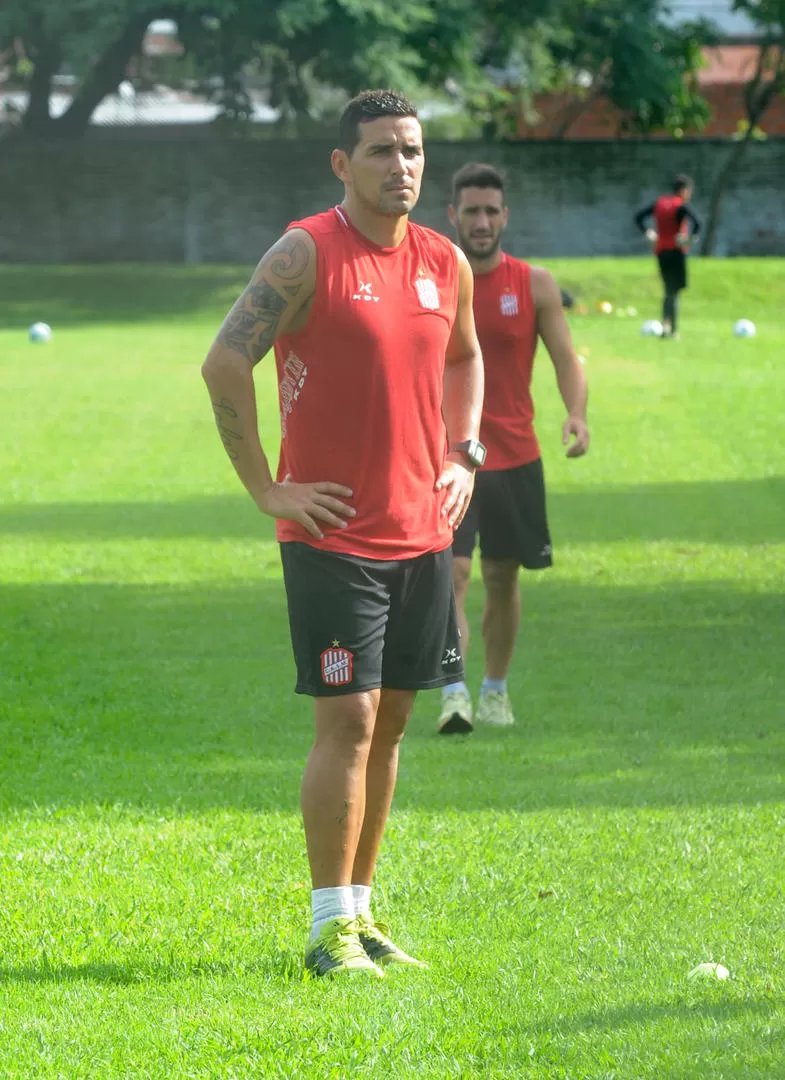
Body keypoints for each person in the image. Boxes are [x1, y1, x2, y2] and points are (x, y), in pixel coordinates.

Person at [201, 90, 484, 977]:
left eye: (411, 151)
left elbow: (466, 356)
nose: (400, 167)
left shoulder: (445, 261)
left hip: (422, 535)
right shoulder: (305, 253)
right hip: (332, 537)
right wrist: (266, 489)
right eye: (379, 152)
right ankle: (326, 930)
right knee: (350, 723)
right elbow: (223, 360)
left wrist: (464, 454)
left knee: (394, 724)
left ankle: (362, 919)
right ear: (341, 163)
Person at [437, 162, 590, 735]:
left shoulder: (535, 284)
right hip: (448, 459)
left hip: (515, 456)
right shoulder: (434, 280)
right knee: (450, 576)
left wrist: (576, 414)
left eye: (490, 211)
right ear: (453, 215)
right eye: (470, 211)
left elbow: (567, 360)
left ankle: (495, 692)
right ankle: (453, 692)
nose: (481, 221)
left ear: (505, 216)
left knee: (503, 577)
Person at [634, 174, 701, 340]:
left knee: (667, 290)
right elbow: (698, 222)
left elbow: (638, 217)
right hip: (677, 250)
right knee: (674, 291)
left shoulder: (660, 203)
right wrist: (690, 238)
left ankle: (665, 324)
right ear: (683, 190)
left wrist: (648, 232)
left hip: (661, 250)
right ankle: (673, 330)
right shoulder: (680, 206)